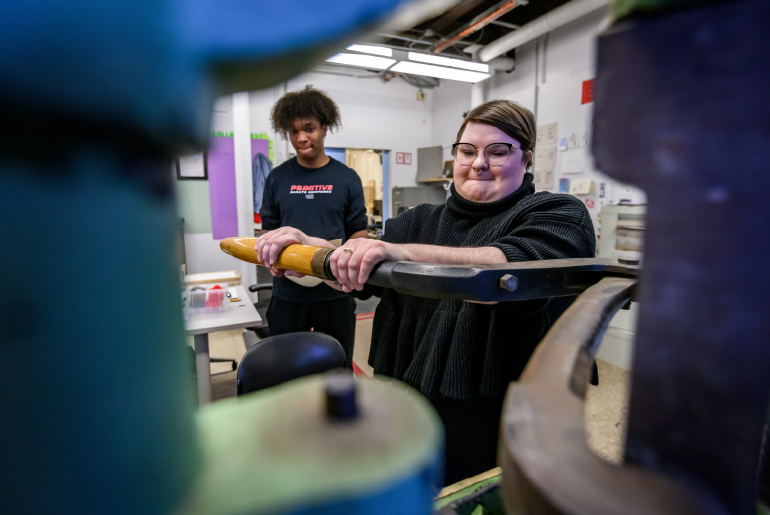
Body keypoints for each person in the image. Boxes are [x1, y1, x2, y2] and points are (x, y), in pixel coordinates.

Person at [255, 100, 595, 484]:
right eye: (467, 151)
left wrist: (397, 250)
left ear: (526, 159)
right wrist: (308, 244)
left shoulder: (559, 214)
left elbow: (502, 267)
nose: (478, 163)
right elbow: (355, 266)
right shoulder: (419, 220)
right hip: (411, 417)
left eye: (498, 152)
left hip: (504, 430)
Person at [258, 85, 368, 368]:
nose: (301, 137)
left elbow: (358, 231)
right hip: (287, 294)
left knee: (337, 366)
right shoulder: (277, 178)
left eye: (309, 128)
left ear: (325, 127)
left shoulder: (346, 178)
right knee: (283, 368)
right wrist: (270, 254)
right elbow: (267, 229)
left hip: (334, 292)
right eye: (294, 131)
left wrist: (346, 261)